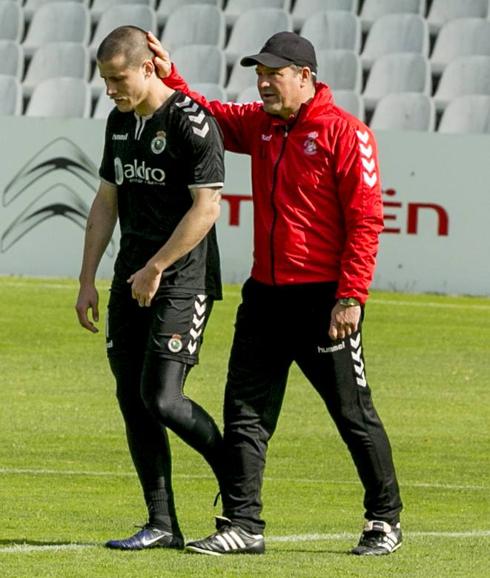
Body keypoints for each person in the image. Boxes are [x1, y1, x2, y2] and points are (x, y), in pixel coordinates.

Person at [149, 30, 403, 556]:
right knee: (245, 413)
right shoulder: (260, 126)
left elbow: (366, 220)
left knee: (352, 413)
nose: (263, 83)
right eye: (259, 74)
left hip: (325, 300)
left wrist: (351, 295)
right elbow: (207, 114)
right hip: (264, 296)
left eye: (274, 74)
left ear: (305, 77)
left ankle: (384, 519)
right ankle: (244, 524)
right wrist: (170, 77)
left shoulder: (345, 133)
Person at [75, 25, 226, 551]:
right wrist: (87, 278)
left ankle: (237, 476)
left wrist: (158, 265)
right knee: (131, 397)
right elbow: (105, 202)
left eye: (118, 78)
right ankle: (162, 523)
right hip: (130, 277)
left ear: (146, 67)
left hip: (181, 279)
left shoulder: (191, 122)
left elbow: (206, 208)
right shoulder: (119, 124)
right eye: (105, 80)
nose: (111, 89)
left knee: (161, 398)